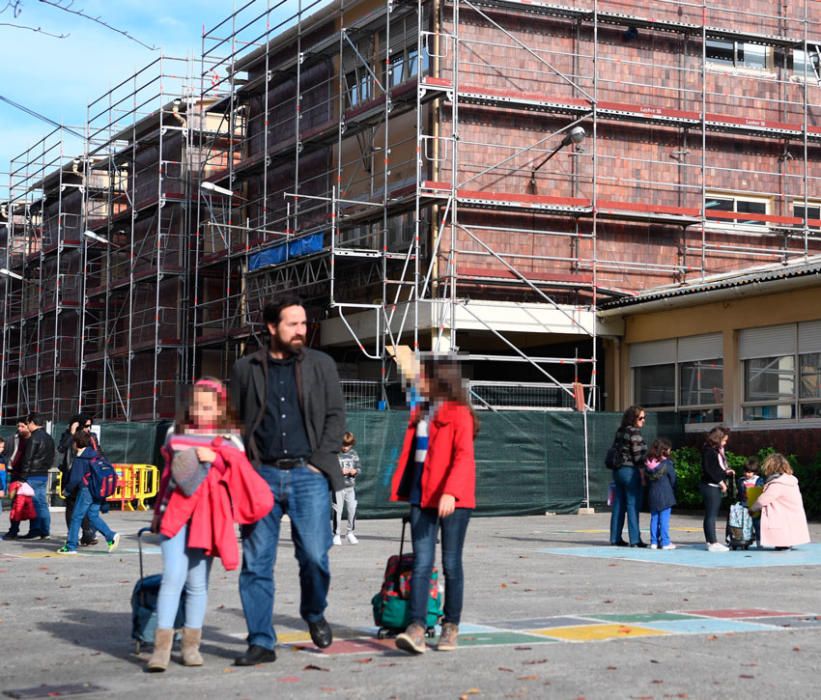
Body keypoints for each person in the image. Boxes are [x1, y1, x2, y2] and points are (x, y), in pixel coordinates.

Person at [230, 295, 346, 666]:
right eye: (293, 324)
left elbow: (335, 416)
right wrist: (242, 467)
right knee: (256, 562)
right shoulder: (245, 368)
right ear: (271, 328)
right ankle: (261, 641)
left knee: (315, 555)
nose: (301, 330)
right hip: (259, 474)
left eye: (303, 323)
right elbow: (233, 421)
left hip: (307, 474)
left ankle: (314, 612)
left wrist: (318, 463)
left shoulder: (321, 365)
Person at [146, 378, 273, 672]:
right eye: (196, 406)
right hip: (175, 515)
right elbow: (168, 479)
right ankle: (161, 650)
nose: (200, 411)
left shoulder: (231, 440)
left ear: (220, 409)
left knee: (197, 584)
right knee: (173, 578)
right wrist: (157, 515)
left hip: (209, 520)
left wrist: (216, 458)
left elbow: (240, 477)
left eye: (207, 406)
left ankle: (191, 647)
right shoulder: (173, 434)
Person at [391, 356, 477, 654]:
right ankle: (416, 627)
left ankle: (450, 626)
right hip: (422, 496)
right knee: (422, 563)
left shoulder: (460, 413)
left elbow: (464, 456)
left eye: (421, 376)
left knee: (451, 563)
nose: (417, 381)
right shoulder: (421, 411)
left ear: (437, 378)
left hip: (454, 497)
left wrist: (451, 492)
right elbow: (414, 458)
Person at [56, 431, 120, 556]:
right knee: (92, 515)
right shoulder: (97, 455)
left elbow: (75, 479)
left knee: (76, 517)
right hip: (98, 490)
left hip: (86, 490)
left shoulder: (81, 458)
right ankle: (110, 535)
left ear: (77, 443)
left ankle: (71, 546)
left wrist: (66, 490)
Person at [750, 453, 810, 551]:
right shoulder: (790, 480)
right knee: (788, 531)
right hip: (792, 515)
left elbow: (764, 499)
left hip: (782, 516)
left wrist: (752, 509)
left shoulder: (778, 483)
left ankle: (782, 545)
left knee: (781, 533)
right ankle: (785, 544)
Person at [608, 406, 647, 548]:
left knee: (618, 504)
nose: (643, 421)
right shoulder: (634, 432)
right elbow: (638, 456)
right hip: (630, 471)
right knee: (632, 505)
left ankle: (615, 538)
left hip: (617, 471)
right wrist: (643, 474)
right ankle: (635, 539)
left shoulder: (620, 431)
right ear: (634, 418)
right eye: (641, 418)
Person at [58, 415, 97, 546]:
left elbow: (98, 452)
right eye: (85, 426)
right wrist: (71, 434)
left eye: (89, 426)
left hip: (85, 476)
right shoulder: (68, 435)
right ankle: (73, 534)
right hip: (70, 473)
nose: (88, 428)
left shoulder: (92, 436)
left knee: (84, 507)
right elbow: (61, 448)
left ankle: (88, 534)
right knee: (71, 505)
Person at [17, 414, 55, 540]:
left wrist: (23, 477)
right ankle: (45, 530)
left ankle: (35, 530)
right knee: (42, 504)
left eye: (27, 423)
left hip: (32, 475)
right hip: (43, 474)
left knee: (34, 504)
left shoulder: (34, 438)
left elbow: (28, 458)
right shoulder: (49, 438)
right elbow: (51, 457)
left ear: (32, 422)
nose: (27, 426)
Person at [700, 426, 734, 552]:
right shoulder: (710, 451)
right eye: (724, 440)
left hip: (712, 485)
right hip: (711, 485)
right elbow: (711, 471)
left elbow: (717, 468)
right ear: (717, 439)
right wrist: (722, 483)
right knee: (711, 515)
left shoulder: (715, 450)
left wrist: (726, 472)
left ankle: (710, 541)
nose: (725, 443)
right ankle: (712, 542)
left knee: (710, 514)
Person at [644, 438, 677, 550]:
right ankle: (665, 542)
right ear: (665, 450)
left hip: (652, 494)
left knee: (654, 518)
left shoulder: (648, 464)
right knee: (664, 519)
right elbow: (673, 479)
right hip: (666, 495)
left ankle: (654, 542)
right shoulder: (667, 464)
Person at [2, 421, 30, 539]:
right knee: (14, 503)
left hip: (25, 475)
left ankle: (36, 530)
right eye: (18, 426)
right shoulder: (11, 440)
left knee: (26, 504)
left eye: (22, 426)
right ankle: (13, 529)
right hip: (12, 473)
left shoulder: (32, 440)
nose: (19, 428)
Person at [333, 431, 361, 546]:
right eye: (343, 445)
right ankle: (336, 534)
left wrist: (355, 471)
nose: (345, 447)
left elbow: (359, 468)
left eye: (348, 445)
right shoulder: (335, 454)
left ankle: (350, 532)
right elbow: (330, 469)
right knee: (337, 510)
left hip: (350, 487)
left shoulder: (354, 454)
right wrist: (339, 471)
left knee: (352, 508)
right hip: (338, 487)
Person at [738, 456, 764, 547]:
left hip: (755, 505)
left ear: (755, 472)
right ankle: (745, 540)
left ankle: (759, 541)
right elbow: (739, 494)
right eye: (745, 472)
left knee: (757, 525)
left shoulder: (759, 480)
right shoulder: (741, 481)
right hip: (744, 505)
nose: (747, 474)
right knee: (745, 525)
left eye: (749, 472)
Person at [0, 437, 7, 515]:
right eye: (0, 447)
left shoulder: (2, 458)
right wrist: (1, 488)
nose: (2, 449)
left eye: (3, 447)